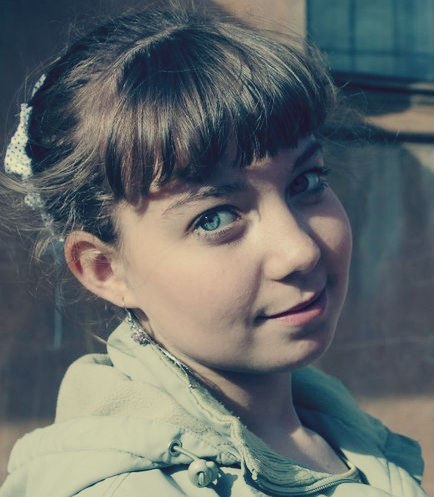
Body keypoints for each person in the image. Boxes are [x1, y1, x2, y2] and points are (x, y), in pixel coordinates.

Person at [0, 2, 427, 496]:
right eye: (215, 218)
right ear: (105, 270)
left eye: (306, 182)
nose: (300, 252)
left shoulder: (338, 430)